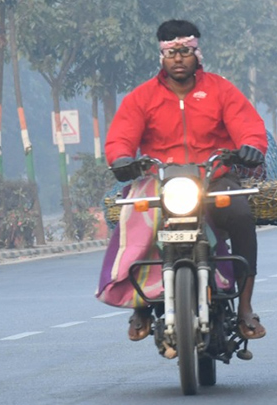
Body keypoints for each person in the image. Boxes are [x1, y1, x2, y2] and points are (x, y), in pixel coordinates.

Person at [104, 19, 268, 342]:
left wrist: (250, 147)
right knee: (135, 216)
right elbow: (121, 136)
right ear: (161, 57)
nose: (178, 58)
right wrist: (121, 158)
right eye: (171, 53)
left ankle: (246, 306)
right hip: (160, 182)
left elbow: (247, 125)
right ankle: (141, 305)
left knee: (241, 216)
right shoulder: (142, 97)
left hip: (213, 180)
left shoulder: (221, 90)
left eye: (185, 51)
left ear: (197, 54)